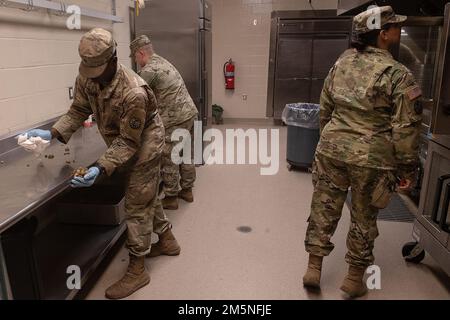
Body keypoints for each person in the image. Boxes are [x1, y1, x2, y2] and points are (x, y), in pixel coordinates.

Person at [24, 28, 181, 299]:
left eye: (97, 68)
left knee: (136, 204)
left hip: (145, 144)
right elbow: (78, 110)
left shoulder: (135, 92)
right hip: (122, 141)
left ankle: (137, 269)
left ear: (113, 59)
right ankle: (167, 240)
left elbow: (129, 143)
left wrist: (100, 167)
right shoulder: (88, 75)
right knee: (145, 197)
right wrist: (52, 133)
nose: (91, 76)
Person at [302, 6, 423, 298]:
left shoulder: (341, 63)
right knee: (364, 216)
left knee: (324, 207)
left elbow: (325, 107)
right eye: (394, 27)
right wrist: (408, 168)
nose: (398, 31)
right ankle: (355, 278)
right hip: (372, 158)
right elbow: (406, 127)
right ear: (383, 35)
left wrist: (329, 140)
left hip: (332, 148)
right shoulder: (398, 74)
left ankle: (314, 267)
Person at [129, 35, 199, 210]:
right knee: (186, 154)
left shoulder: (149, 70)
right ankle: (187, 190)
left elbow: (135, 98)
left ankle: (171, 197)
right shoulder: (163, 62)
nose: (136, 61)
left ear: (140, 52)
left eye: (135, 57)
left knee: (170, 157)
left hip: (175, 120)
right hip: (190, 114)